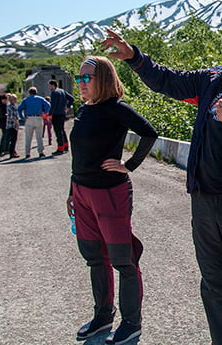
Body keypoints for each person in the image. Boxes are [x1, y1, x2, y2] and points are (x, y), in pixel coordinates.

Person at [102, 20, 222, 345]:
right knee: (213, 285)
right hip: (203, 201)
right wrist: (133, 55)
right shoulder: (212, 79)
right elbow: (167, 80)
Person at [66, 56, 158, 345]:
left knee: (123, 260)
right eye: (78, 79)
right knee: (94, 258)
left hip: (110, 193)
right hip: (82, 193)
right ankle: (103, 315)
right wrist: (72, 190)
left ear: (103, 78)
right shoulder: (84, 110)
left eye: (86, 78)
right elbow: (78, 155)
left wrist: (128, 165)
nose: (80, 84)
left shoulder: (115, 109)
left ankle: (131, 323)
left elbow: (149, 132)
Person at [17, 87, 51, 159]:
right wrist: (44, 113)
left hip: (29, 118)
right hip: (38, 117)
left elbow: (19, 109)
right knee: (39, 136)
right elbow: (48, 105)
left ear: (29, 93)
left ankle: (27, 153)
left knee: (28, 137)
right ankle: (41, 152)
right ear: (36, 92)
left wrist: (22, 117)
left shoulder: (26, 100)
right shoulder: (40, 99)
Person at [49, 78, 75, 155]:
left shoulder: (54, 93)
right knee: (62, 130)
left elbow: (53, 105)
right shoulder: (62, 91)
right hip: (62, 113)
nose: (49, 87)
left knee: (58, 131)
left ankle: (60, 148)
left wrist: (50, 114)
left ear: (53, 85)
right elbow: (71, 99)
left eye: (50, 85)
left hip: (56, 114)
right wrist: (67, 106)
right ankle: (66, 146)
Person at [5, 93, 20, 158]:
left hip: (9, 124)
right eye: (15, 99)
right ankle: (12, 152)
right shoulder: (12, 107)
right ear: (12, 100)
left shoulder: (9, 106)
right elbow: (13, 117)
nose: (16, 100)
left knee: (12, 139)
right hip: (12, 125)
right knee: (13, 139)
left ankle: (13, 151)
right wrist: (17, 124)